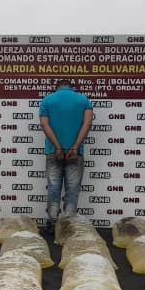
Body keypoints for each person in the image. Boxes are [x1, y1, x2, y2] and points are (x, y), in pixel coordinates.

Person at [38, 78, 94, 232]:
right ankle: (67, 226)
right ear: (71, 87)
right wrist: (75, 147)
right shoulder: (84, 100)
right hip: (75, 153)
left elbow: (44, 124)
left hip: (53, 152)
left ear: (57, 88)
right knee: (73, 189)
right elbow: (88, 124)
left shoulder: (47, 100)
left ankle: (53, 223)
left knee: (54, 188)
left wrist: (57, 147)